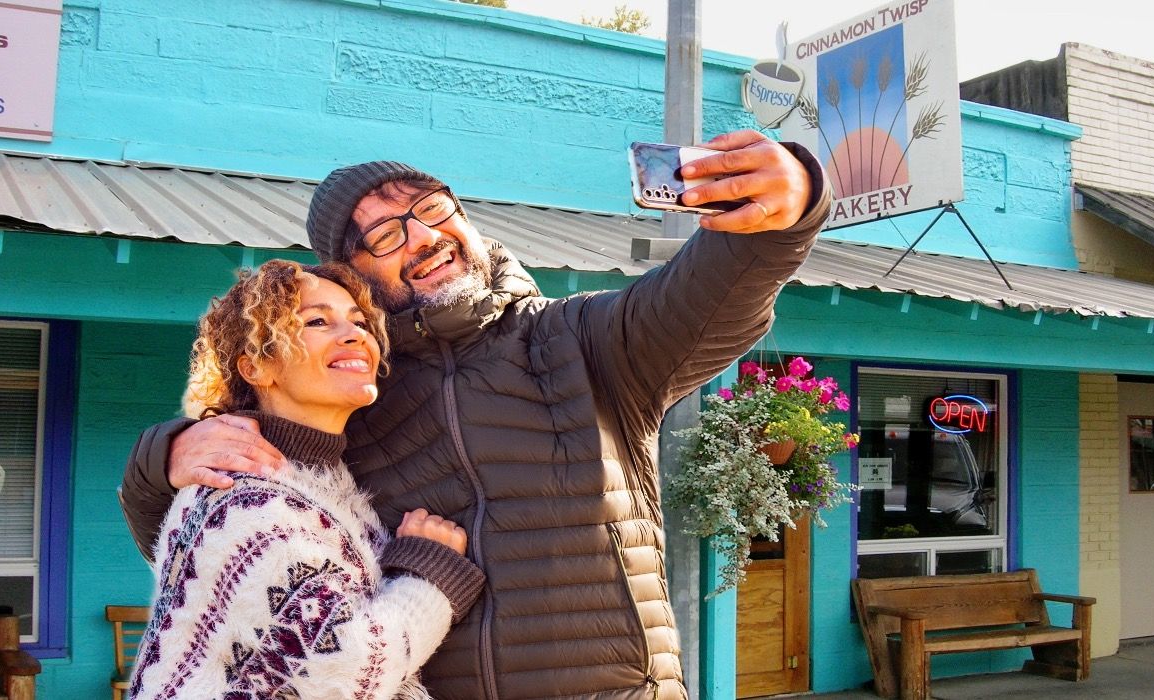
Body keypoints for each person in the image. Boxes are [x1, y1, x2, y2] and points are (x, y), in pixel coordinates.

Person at [121, 129, 830, 699]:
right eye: (384, 237)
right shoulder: (356, 403)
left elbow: (708, 295)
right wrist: (164, 459)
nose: (422, 237)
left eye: (431, 210)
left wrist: (787, 205)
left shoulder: (583, 342)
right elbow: (220, 562)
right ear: (353, 275)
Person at [126, 260, 485, 699]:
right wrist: (430, 574)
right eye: (317, 321)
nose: (354, 334)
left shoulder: (325, 486)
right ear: (257, 368)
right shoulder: (242, 497)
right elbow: (345, 673)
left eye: (358, 321)